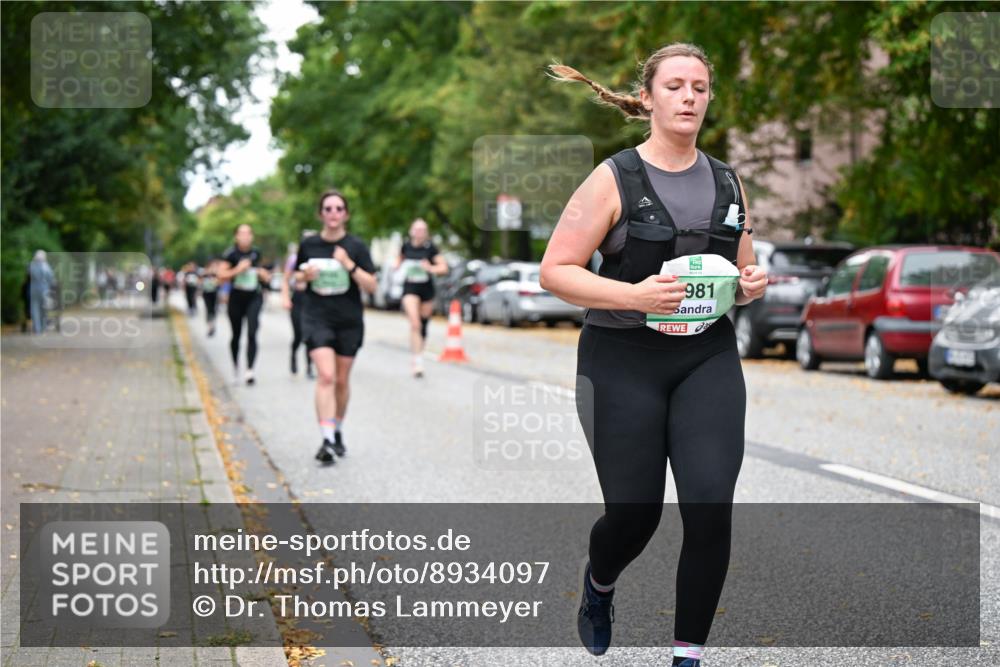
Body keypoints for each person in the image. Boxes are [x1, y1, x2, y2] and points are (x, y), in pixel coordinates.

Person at [539, 44, 768, 667]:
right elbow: (555, 271)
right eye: (675, 86)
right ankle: (599, 584)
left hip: (706, 357)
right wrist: (634, 295)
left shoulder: (727, 179)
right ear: (648, 99)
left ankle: (687, 657)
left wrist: (750, 284)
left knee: (709, 505)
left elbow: (742, 269)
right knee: (634, 515)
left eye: (700, 86)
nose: (689, 97)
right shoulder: (614, 178)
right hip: (621, 356)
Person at [292, 190, 376, 464]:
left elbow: (372, 286)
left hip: (349, 320)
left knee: (341, 381)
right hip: (317, 317)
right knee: (326, 376)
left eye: (339, 208)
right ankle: (326, 439)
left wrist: (349, 265)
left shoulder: (356, 246)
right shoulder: (309, 245)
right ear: (321, 214)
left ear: (346, 214)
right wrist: (304, 276)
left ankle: (337, 429)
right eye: (328, 208)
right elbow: (297, 281)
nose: (333, 213)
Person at [218, 224, 271, 385]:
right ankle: (235, 367)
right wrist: (238, 270)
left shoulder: (256, 253)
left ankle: (250, 370)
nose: (245, 236)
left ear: (252, 236)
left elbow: (264, 275)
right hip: (236, 298)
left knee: (252, 332)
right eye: (242, 233)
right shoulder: (230, 254)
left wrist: (263, 274)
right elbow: (221, 275)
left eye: (248, 233)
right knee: (236, 335)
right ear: (236, 236)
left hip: (254, 296)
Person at [394, 218, 448, 377]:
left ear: (426, 233)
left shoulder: (431, 248)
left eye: (422, 230)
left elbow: (443, 268)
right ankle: (417, 361)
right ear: (411, 231)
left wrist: (430, 268)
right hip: (409, 288)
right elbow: (398, 260)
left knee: (423, 324)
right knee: (415, 323)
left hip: (426, 289)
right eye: (417, 229)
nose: (419, 232)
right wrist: (396, 266)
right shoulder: (406, 246)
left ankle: (419, 349)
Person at [281, 233, 316, 378]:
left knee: (310, 335)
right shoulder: (294, 259)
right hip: (298, 298)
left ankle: (309, 367)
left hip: (312, 299)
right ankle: (294, 356)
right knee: (298, 334)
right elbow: (286, 279)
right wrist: (285, 298)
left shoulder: (317, 259)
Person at [29, 250, 56, 334]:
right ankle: (43, 327)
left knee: (35, 309)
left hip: (33, 290)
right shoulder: (45, 266)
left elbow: (30, 275)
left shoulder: (31, 265)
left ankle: (37, 329)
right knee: (43, 309)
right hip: (44, 290)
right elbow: (51, 278)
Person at [201, 260, 220, 337]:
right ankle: (210, 326)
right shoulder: (204, 274)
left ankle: (213, 325)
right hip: (206, 294)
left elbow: (219, 283)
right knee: (209, 310)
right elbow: (200, 282)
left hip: (214, 294)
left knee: (213, 310)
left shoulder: (216, 274)